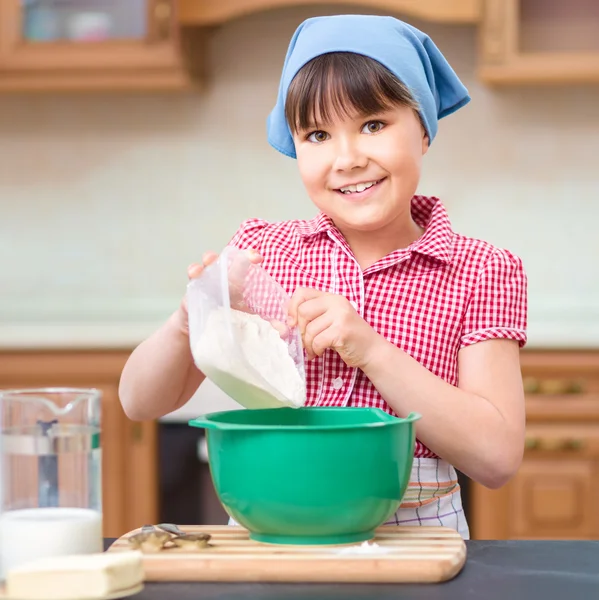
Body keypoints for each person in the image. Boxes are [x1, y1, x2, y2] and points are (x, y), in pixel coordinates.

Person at [119, 14, 527, 539]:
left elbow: (496, 458)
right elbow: (138, 402)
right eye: (317, 134)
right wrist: (187, 318)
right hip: (272, 522)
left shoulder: (483, 270)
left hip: (417, 533)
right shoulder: (265, 253)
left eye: (374, 125)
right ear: (295, 148)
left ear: (423, 130)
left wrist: (371, 349)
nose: (348, 158)